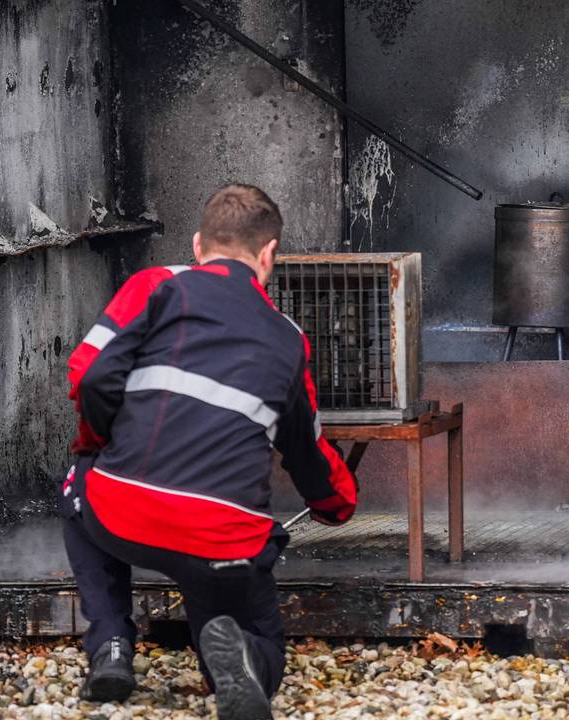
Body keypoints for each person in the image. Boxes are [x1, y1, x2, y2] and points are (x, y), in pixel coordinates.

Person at [60, 184, 358, 718]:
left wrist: (98, 445)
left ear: (198, 245)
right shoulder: (289, 339)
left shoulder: (157, 285)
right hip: (224, 541)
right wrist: (337, 507)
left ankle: (110, 648)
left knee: (79, 480)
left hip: (124, 513)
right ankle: (238, 657)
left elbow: (90, 373)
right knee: (256, 638)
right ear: (269, 256)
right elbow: (308, 455)